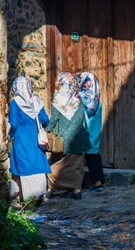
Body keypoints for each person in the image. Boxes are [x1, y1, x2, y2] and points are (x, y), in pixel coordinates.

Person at [45, 72, 92, 198]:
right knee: (77, 165)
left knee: (55, 163)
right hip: (78, 137)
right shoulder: (78, 98)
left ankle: (51, 189)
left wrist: (47, 130)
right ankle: (76, 190)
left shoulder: (58, 99)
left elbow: (54, 119)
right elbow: (82, 117)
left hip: (62, 137)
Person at [7, 75, 51, 206]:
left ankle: (15, 197)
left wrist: (10, 135)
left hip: (21, 138)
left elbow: (14, 123)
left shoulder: (15, 103)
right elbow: (46, 120)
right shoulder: (36, 101)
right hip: (35, 137)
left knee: (18, 165)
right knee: (37, 163)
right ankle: (40, 194)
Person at [77, 71, 105, 192]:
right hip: (94, 133)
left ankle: (76, 185)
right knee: (93, 155)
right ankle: (98, 183)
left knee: (76, 159)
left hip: (81, 132)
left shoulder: (81, 100)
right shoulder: (97, 101)